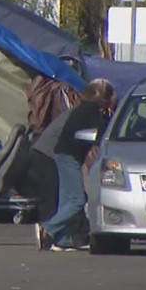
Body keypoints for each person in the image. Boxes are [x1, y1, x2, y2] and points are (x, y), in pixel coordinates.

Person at [31, 79, 116, 251]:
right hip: (68, 156)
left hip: (65, 155)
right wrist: (100, 137)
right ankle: (47, 228)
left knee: (66, 200)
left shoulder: (84, 109)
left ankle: (62, 241)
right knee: (77, 200)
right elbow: (82, 135)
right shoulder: (90, 112)